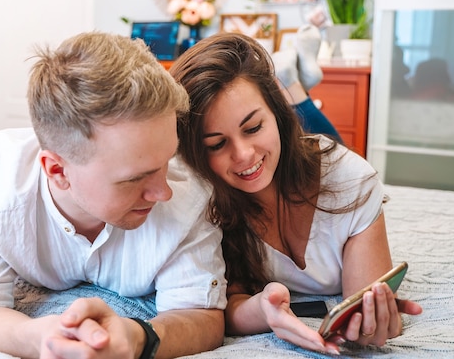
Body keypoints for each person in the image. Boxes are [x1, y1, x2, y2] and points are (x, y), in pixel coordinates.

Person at [0, 31, 227, 359]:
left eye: (166, 161)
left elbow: (203, 316)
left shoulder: (190, 194)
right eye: (134, 179)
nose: (163, 192)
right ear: (57, 171)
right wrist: (38, 337)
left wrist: (140, 337)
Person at [169, 32, 422, 355]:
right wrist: (264, 308)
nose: (244, 154)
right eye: (217, 144)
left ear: (277, 113)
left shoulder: (351, 182)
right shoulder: (206, 201)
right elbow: (228, 307)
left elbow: (364, 309)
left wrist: (376, 323)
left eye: (253, 127)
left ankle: (296, 85)